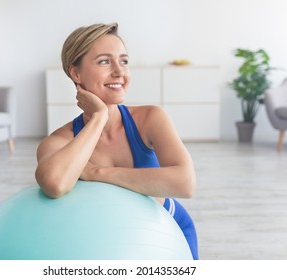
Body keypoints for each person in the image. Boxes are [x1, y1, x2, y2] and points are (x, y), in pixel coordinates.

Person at [35, 23, 198, 259]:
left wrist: (98, 173)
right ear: (76, 73)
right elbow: (55, 184)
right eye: (104, 61)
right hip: (107, 244)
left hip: (167, 233)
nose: (119, 72)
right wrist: (99, 118)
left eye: (123, 61)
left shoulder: (150, 118)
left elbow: (186, 184)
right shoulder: (58, 142)